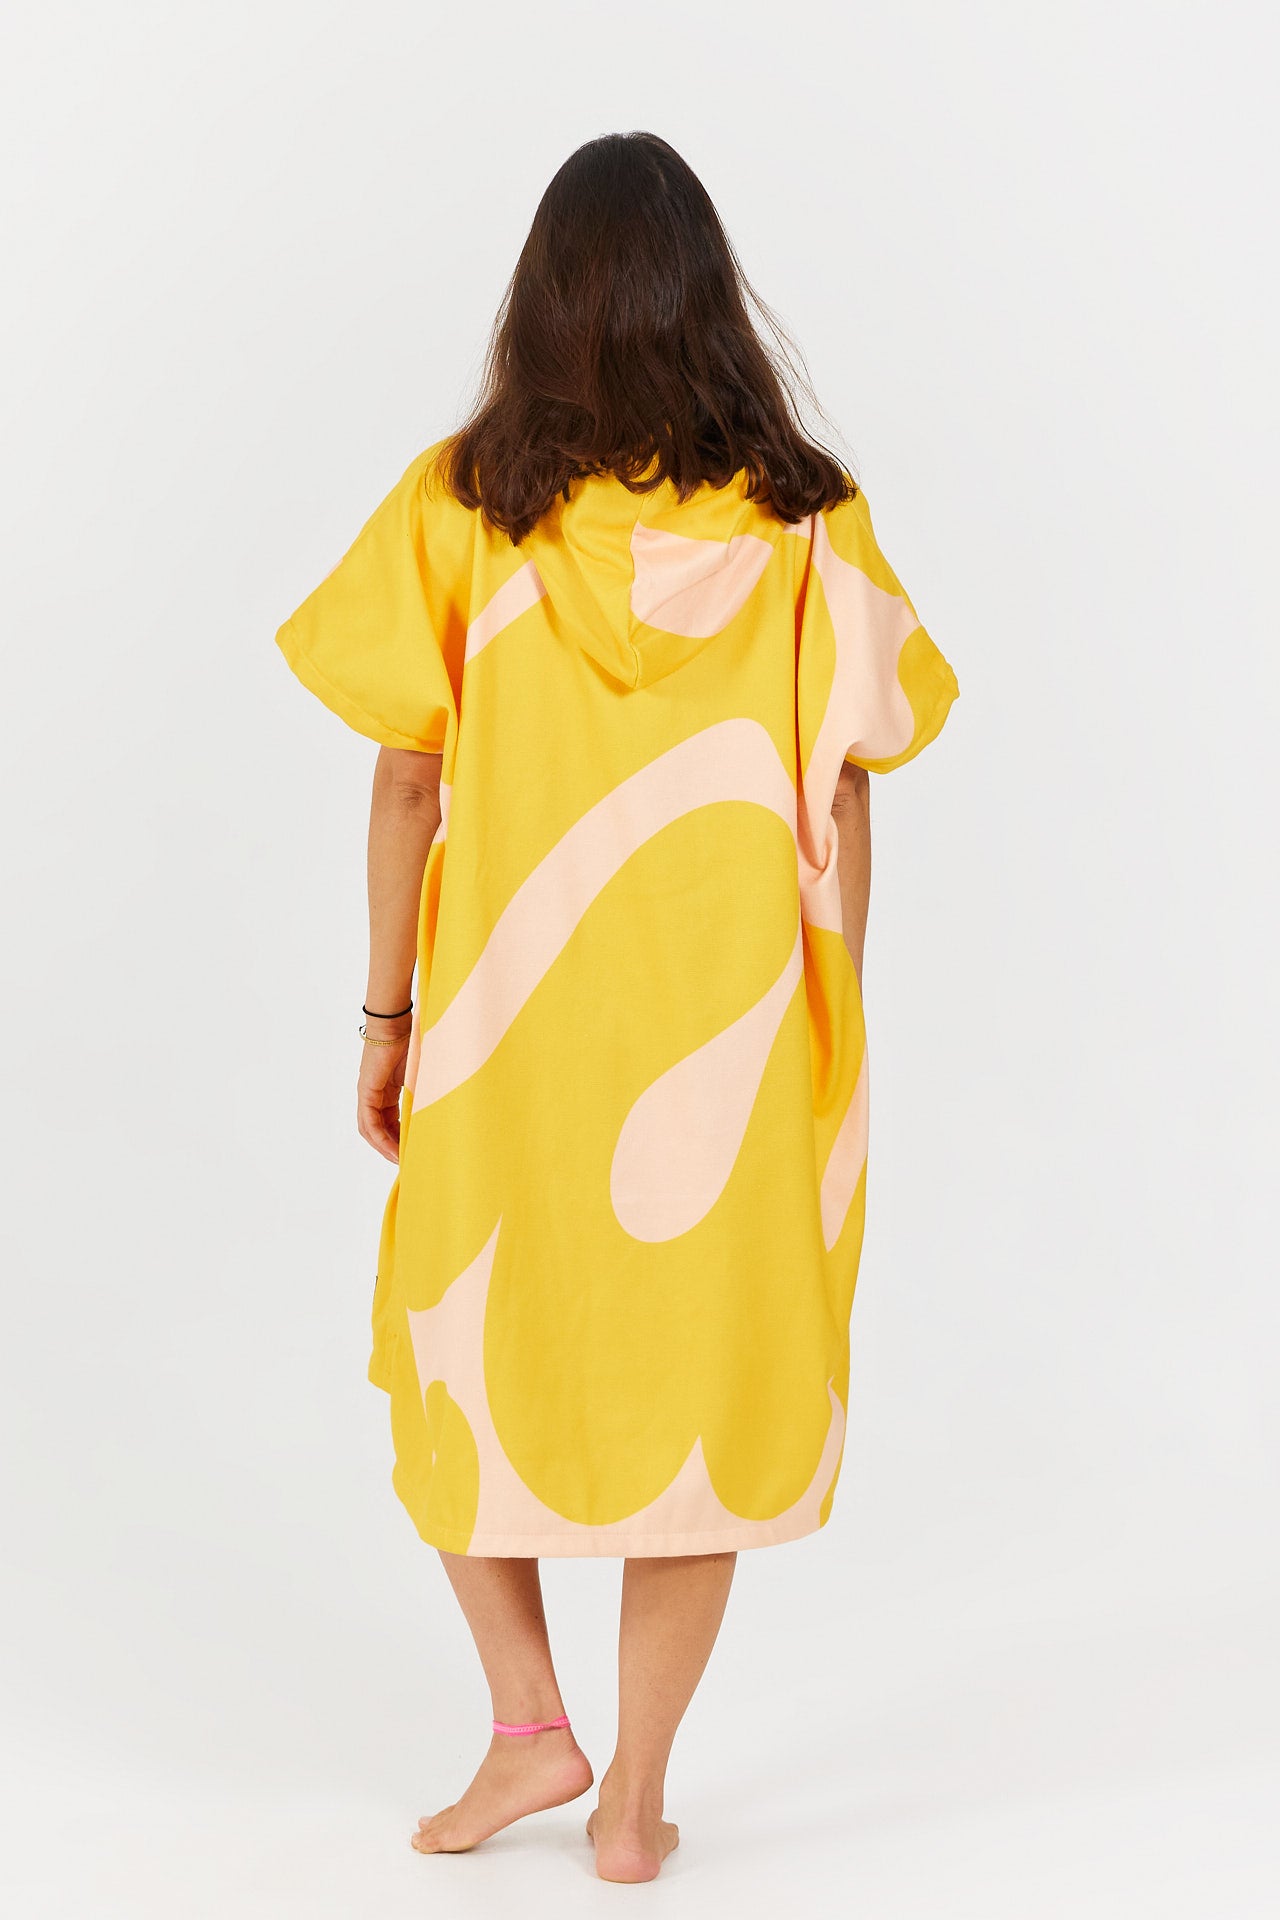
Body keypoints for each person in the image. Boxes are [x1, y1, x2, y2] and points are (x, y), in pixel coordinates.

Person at [275, 129, 959, 1885]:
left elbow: (406, 780)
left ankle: (531, 1725)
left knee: (450, 1353)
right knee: (702, 1394)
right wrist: (833, 1025)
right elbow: (853, 780)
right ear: (709, 302)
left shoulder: (464, 502)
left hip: (505, 1031)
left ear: (545, 300)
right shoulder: (808, 518)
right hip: (735, 1034)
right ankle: (630, 1797)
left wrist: (384, 1021)